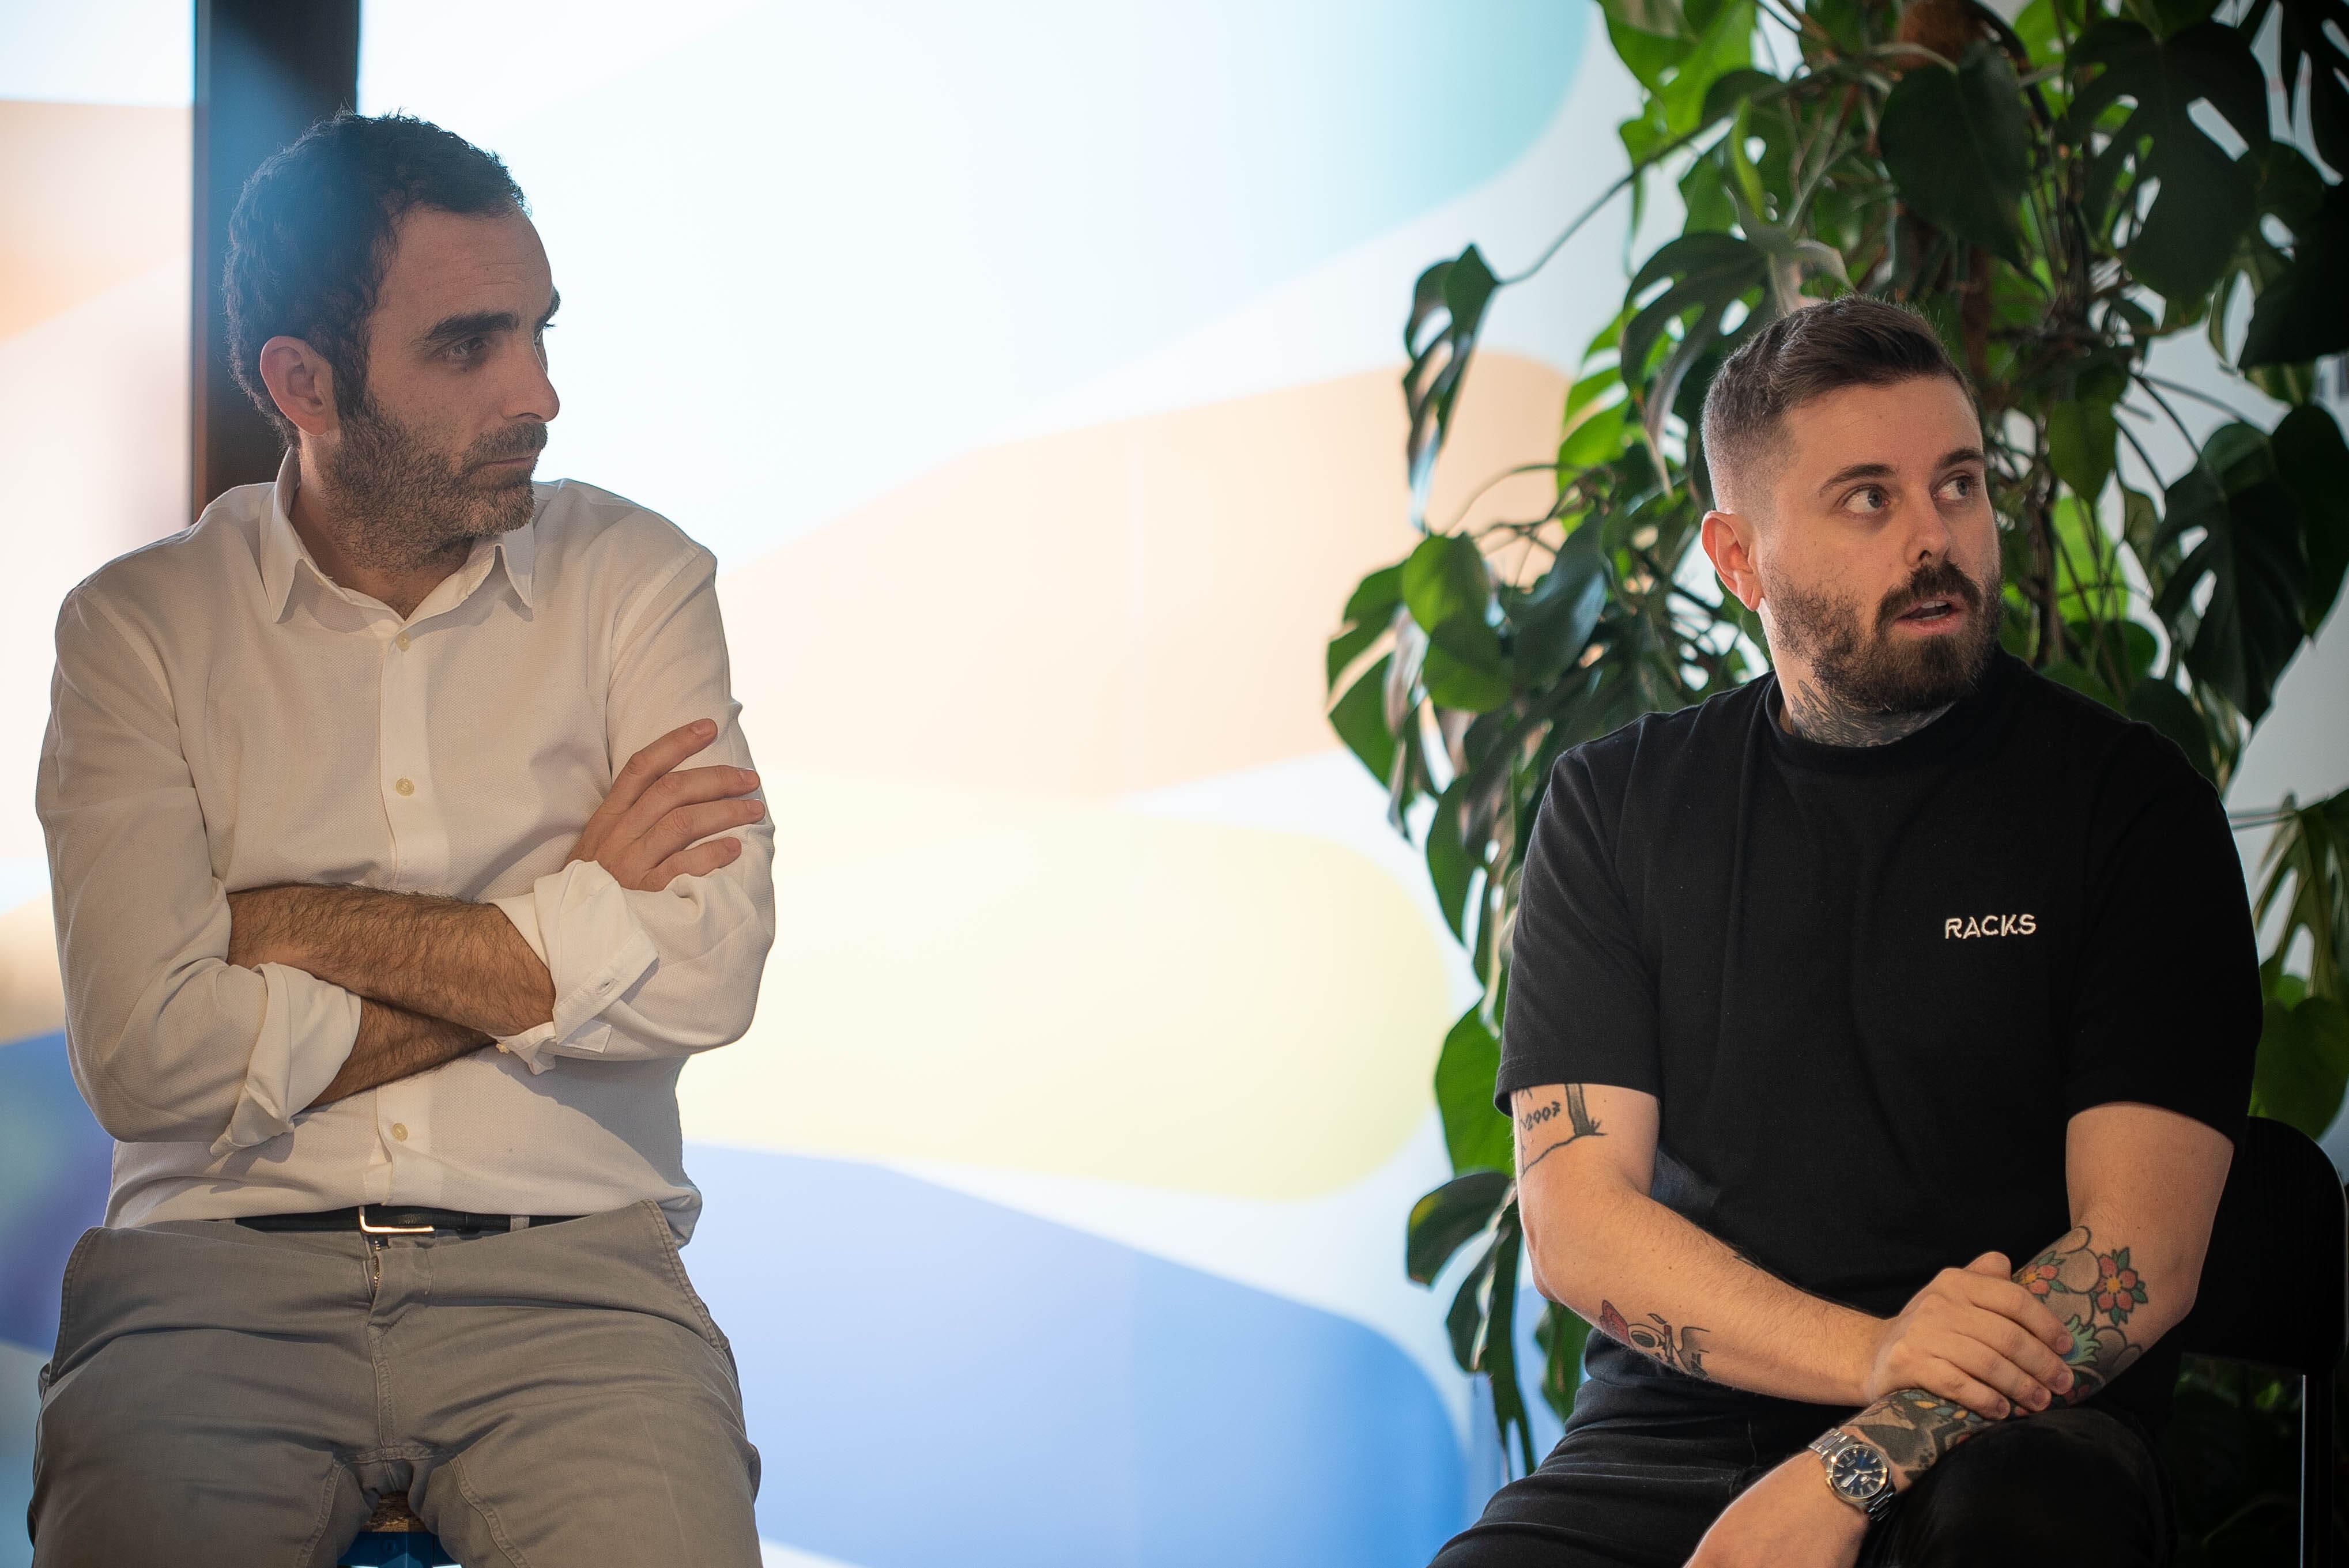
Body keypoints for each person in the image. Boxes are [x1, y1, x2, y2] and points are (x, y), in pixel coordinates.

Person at [30, 114, 775, 1565]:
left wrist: (292, 922)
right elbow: (143, 1058)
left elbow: (708, 972)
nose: (538, 392)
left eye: (540, 332)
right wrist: (571, 919)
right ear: (300, 383)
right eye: (467, 346)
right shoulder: (138, 629)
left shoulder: (638, 578)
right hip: (207, 1289)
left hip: (579, 1286)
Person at [1429, 296, 2258, 1567]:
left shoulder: (2129, 809)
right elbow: (1578, 1218)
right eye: (1869, 498)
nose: (1936, 538)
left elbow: (2138, 1253)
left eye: (1959, 484)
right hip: (1673, 1433)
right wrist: (1870, 1356)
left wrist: (1853, 1460)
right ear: (1739, 557)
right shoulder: (1616, 806)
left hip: (2006, 1439)